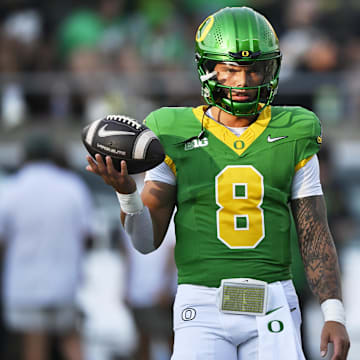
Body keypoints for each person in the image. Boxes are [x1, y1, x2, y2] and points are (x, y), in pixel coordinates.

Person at [86, 6, 350, 360]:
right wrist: (127, 194)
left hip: (271, 299)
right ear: (208, 69)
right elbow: (146, 241)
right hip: (202, 304)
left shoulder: (294, 129)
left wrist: (333, 312)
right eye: (230, 70)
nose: (242, 82)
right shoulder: (171, 130)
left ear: (270, 70)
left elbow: (314, 232)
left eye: (254, 69)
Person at [0, 131, 94, 360]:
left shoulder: (12, 189)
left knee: (35, 343)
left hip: (25, 283)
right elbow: (88, 236)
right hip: (64, 281)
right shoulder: (72, 187)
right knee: (70, 338)